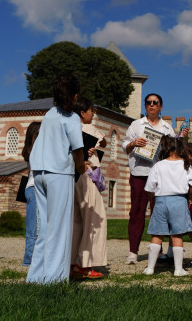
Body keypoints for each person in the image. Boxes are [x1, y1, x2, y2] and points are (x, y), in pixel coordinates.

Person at [26, 74, 85, 284]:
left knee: (45, 227)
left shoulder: (50, 113)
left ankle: (35, 277)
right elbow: (78, 149)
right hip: (59, 173)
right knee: (59, 228)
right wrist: (82, 169)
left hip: (39, 172)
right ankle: (54, 280)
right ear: (75, 95)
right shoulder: (72, 118)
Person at [122, 93, 187, 264]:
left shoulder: (166, 128)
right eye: (148, 102)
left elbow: (174, 149)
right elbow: (124, 145)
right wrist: (133, 144)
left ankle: (157, 251)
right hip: (139, 172)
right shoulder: (136, 125)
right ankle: (133, 252)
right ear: (145, 106)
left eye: (155, 102)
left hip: (160, 175)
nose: (151, 105)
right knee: (137, 211)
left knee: (159, 213)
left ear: (160, 107)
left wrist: (181, 138)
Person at [142, 136, 192, 277]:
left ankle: (150, 268)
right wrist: (190, 196)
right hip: (179, 201)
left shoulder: (158, 165)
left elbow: (149, 187)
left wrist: (154, 197)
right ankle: (178, 269)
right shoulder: (186, 165)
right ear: (181, 149)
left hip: (161, 200)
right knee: (177, 234)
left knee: (157, 234)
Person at [71, 97, 108, 280]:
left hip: (73, 176)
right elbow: (105, 142)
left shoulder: (68, 128)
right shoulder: (89, 129)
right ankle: (84, 264)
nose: (93, 113)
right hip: (87, 175)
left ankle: (70, 263)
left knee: (76, 220)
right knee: (93, 219)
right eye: (91, 110)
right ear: (82, 112)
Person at [20, 121, 41, 267]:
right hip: (34, 187)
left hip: (32, 187)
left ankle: (32, 258)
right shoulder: (35, 150)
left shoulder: (30, 149)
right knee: (34, 227)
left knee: (35, 225)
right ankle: (29, 260)